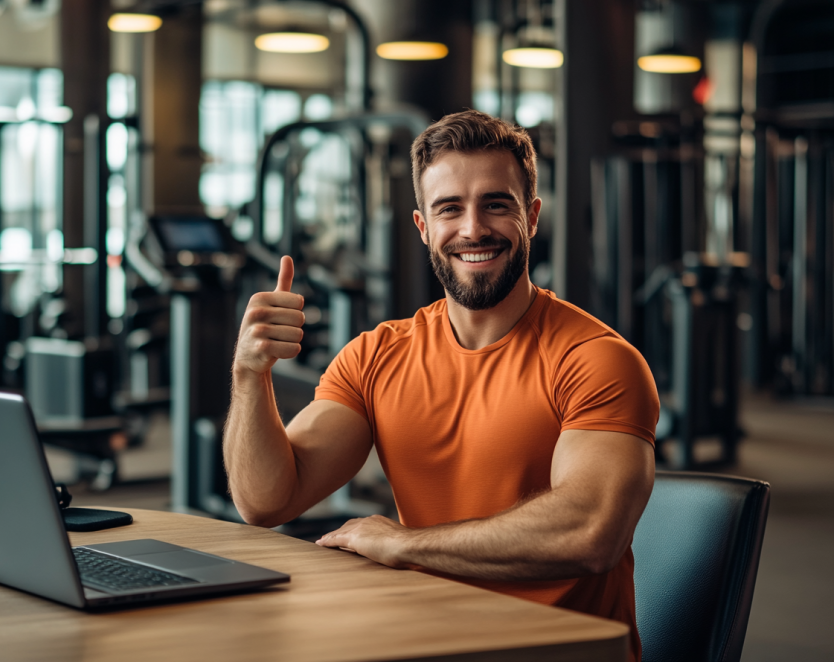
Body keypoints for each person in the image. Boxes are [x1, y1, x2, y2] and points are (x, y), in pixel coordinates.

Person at [223, 110, 658, 662]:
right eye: (449, 208)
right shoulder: (376, 356)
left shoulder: (596, 360)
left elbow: (590, 533)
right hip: (430, 642)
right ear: (423, 227)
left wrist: (404, 545)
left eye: (496, 204)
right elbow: (266, 501)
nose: (473, 229)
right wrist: (250, 373)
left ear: (532, 217)